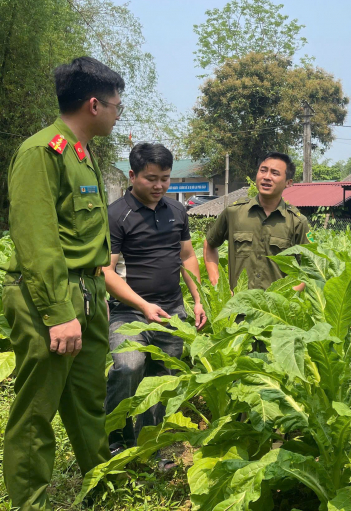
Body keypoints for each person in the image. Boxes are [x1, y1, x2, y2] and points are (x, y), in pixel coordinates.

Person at [2, 56, 123, 510]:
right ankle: (29, 502)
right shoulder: (41, 152)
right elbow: (37, 242)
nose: (117, 113)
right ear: (94, 104)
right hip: (49, 296)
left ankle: (100, 487)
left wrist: (96, 293)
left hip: (87, 292)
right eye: (115, 105)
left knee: (88, 400)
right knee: (36, 411)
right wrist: (58, 313)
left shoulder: (80, 153)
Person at [103, 143, 207, 460]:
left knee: (163, 377)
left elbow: (188, 257)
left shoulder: (177, 211)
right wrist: (144, 306)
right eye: (151, 178)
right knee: (128, 365)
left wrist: (198, 299)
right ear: (133, 175)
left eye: (165, 178)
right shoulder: (117, 214)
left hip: (172, 311)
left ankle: (150, 441)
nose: (159, 185)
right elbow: (106, 270)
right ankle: (115, 434)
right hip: (129, 312)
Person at [204, 152, 310, 290]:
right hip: (236, 308)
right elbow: (210, 244)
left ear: (288, 183)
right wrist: (217, 283)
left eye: (275, 173)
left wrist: (287, 296)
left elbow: (310, 267)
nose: (267, 177)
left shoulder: (297, 222)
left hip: (276, 309)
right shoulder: (234, 212)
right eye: (263, 170)